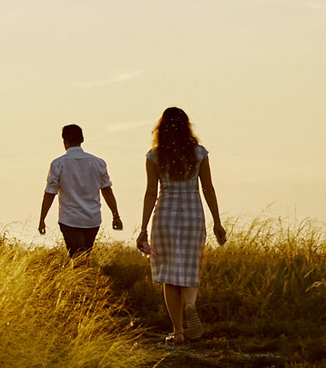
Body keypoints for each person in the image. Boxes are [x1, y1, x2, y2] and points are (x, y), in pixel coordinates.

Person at [133, 105, 225, 342]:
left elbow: (150, 194)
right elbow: (208, 189)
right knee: (191, 268)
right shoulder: (199, 153)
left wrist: (143, 229)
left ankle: (178, 331)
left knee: (169, 275)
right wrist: (217, 222)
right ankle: (191, 305)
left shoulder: (154, 156)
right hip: (193, 216)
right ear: (187, 127)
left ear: (161, 129)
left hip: (165, 217)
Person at [36, 123, 121, 259]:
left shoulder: (58, 164)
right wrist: (116, 215)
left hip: (70, 219)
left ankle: (81, 279)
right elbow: (107, 191)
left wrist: (42, 219)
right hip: (92, 219)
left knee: (78, 256)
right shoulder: (98, 162)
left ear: (64, 140)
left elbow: (50, 194)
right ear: (82, 139)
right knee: (84, 255)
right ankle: (84, 278)